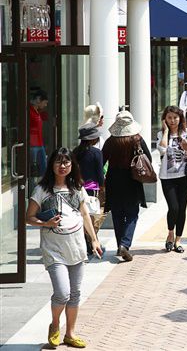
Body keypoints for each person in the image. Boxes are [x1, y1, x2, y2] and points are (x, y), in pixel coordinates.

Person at [26, 147, 102, 349]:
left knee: (75, 293)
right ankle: (55, 324)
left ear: (72, 165)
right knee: (62, 292)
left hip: (76, 247)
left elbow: (86, 215)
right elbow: (29, 217)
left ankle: (70, 333)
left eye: (66, 162)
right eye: (59, 162)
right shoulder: (41, 190)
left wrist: (94, 240)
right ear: (51, 165)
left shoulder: (77, 188)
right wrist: (46, 224)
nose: (63, 166)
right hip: (53, 250)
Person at [102, 111, 150, 262]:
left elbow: (101, 161)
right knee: (131, 213)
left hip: (113, 180)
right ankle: (125, 244)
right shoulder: (137, 139)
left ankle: (119, 245)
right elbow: (147, 158)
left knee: (117, 214)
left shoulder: (110, 141)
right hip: (132, 180)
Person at [157, 106, 187, 254]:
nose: (173, 121)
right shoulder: (161, 134)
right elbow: (161, 150)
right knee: (173, 207)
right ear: (165, 119)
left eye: (175, 117)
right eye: (169, 118)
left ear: (180, 118)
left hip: (184, 176)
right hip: (167, 177)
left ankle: (178, 239)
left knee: (182, 209)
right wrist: (166, 132)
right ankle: (170, 233)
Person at [73, 125, 104, 256]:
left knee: (80, 215)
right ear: (93, 139)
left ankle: (84, 242)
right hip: (91, 189)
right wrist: (102, 186)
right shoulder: (96, 153)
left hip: (77, 187)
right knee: (91, 217)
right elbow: (99, 173)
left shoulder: (75, 152)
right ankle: (91, 241)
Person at [29, 89, 49, 177]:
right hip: (32, 145)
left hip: (39, 144)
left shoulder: (37, 111)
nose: (45, 105)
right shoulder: (29, 111)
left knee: (43, 169)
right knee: (33, 170)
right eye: (44, 102)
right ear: (38, 99)